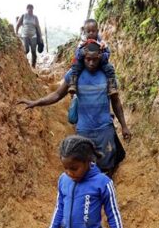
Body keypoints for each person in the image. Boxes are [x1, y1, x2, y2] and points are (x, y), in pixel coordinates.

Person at [18, 42, 131, 177]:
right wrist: (36, 102)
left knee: (107, 167)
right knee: (86, 169)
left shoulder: (108, 74)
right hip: (84, 131)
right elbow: (57, 94)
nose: (91, 63)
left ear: (100, 57)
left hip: (105, 129)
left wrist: (124, 126)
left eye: (95, 59)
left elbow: (116, 102)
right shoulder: (74, 74)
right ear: (83, 58)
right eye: (88, 59)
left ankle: (105, 193)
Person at [67, 19, 117, 96]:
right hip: (85, 62)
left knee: (109, 68)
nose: (91, 33)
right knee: (75, 66)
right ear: (84, 32)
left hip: (99, 62)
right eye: (88, 31)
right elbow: (77, 54)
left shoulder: (101, 42)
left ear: (97, 31)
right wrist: (82, 53)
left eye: (93, 31)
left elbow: (108, 53)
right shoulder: (83, 42)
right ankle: (73, 84)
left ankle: (112, 87)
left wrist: (102, 56)